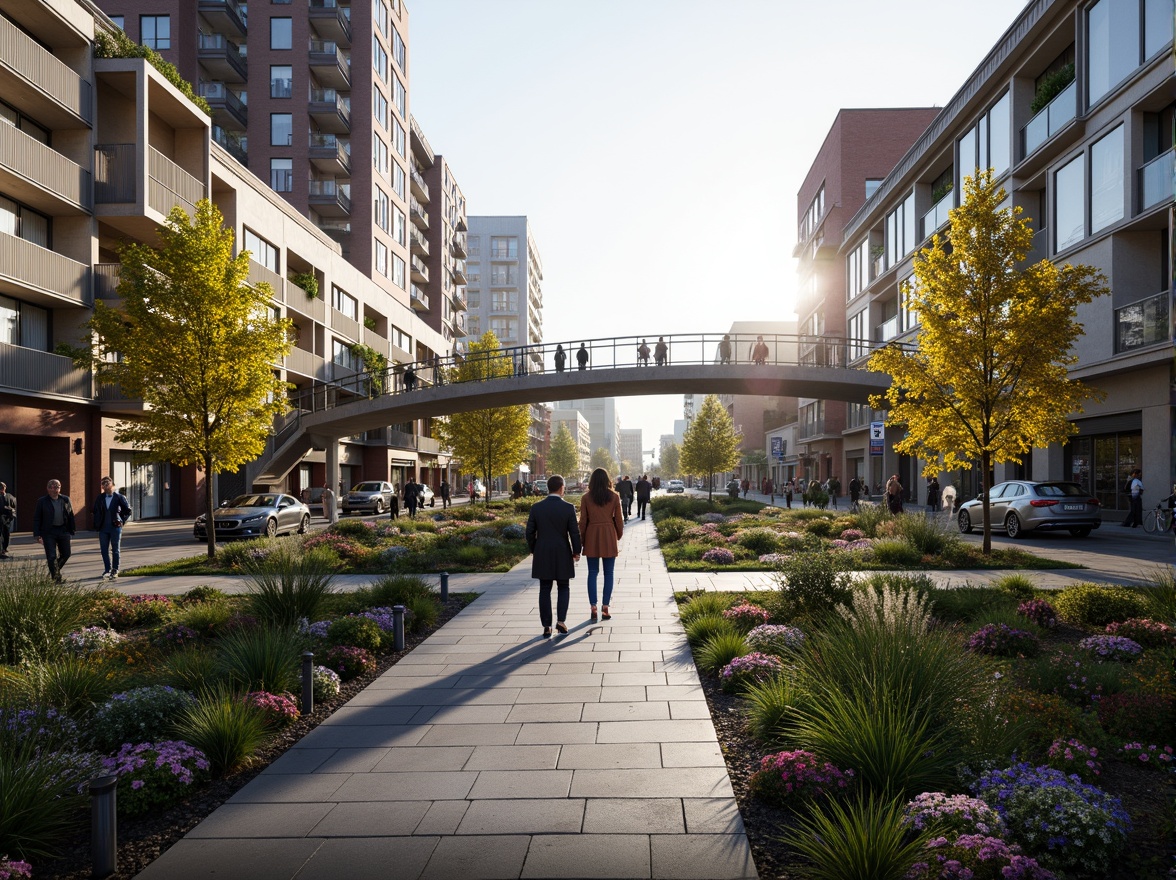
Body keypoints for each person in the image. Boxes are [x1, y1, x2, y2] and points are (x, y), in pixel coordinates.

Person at [525, 474, 581, 638]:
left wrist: (535, 548)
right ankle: (561, 622)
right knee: (563, 587)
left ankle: (547, 626)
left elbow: (529, 532)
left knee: (544, 588)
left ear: (548, 488)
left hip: (543, 552)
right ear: (562, 487)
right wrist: (576, 551)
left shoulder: (537, 507)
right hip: (563, 552)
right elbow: (574, 533)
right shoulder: (568, 508)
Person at [579, 468, 624, 622]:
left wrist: (582, 540)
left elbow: (583, 522)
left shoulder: (586, 498)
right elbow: (619, 520)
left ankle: (593, 606)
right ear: (607, 480)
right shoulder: (614, 496)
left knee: (592, 572)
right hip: (608, 534)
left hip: (592, 534)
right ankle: (605, 607)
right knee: (609, 573)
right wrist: (617, 535)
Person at [32, 479, 76, 582]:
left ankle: (54, 571)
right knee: (51, 556)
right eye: (52, 487)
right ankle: (57, 578)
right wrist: (37, 534)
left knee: (66, 554)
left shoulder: (65, 499)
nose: (55, 489)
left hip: (63, 530)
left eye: (57, 487)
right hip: (48, 532)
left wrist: (72, 529)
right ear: (47, 488)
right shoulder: (42, 501)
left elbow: (70, 515)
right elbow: (37, 518)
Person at [92, 476, 132, 579]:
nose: (105, 484)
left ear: (112, 484)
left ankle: (115, 569)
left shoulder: (119, 497)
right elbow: (95, 511)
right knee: (104, 550)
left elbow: (128, 510)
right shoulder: (100, 498)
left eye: (107, 482)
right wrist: (97, 523)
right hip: (103, 528)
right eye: (103, 483)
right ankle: (107, 569)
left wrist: (121, 520)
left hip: (115, 527)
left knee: (115, 549)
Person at [0, 482, 15, 559]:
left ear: (5, 488)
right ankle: (1, 551)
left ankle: (4, 548)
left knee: (6, 534)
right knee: (0, 535)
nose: (1, 489)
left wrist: (11, 510)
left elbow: (14, 506)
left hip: (7, 519)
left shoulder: (9, 496)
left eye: (2, 487)